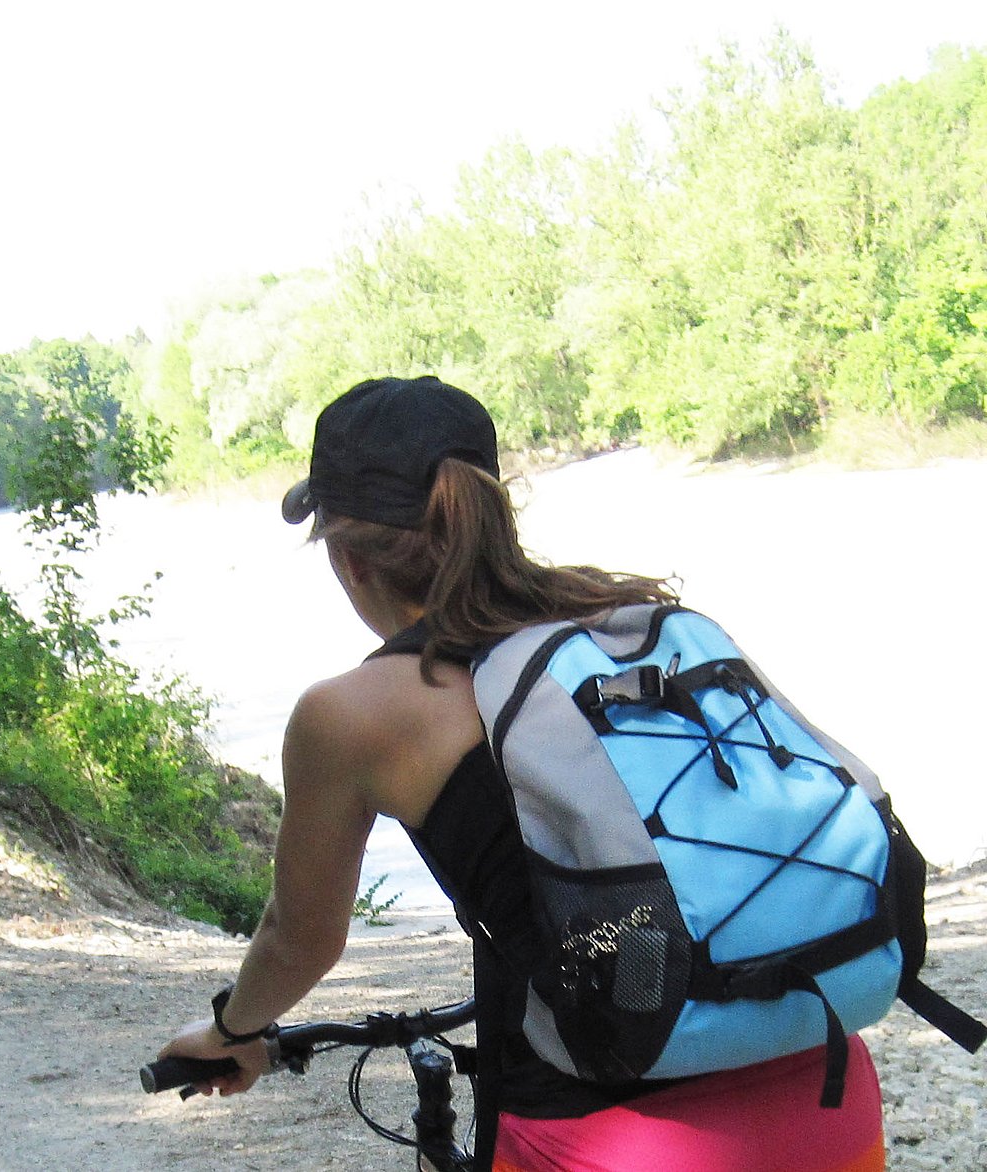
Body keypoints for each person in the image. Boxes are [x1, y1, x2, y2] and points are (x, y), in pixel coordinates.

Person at [156, 376, 886, 1172]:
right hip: (827, 1083)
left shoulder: (352, 714)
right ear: (488, 511)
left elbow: (300, 938)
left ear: (346, 558)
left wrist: (234, 1032)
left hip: (613, 1139)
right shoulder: (620, 616)